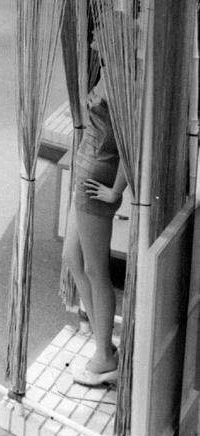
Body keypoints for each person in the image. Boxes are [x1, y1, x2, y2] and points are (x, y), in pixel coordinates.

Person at [62, 49, 129, 387]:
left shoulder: (127, 82)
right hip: (85, 170)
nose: (95, 40)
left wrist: (116, 191)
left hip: (97, 179)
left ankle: (104, 355)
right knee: (72, 258)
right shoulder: (105, 69)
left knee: (95, 269)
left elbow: (134, 146)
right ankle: (104, 340)